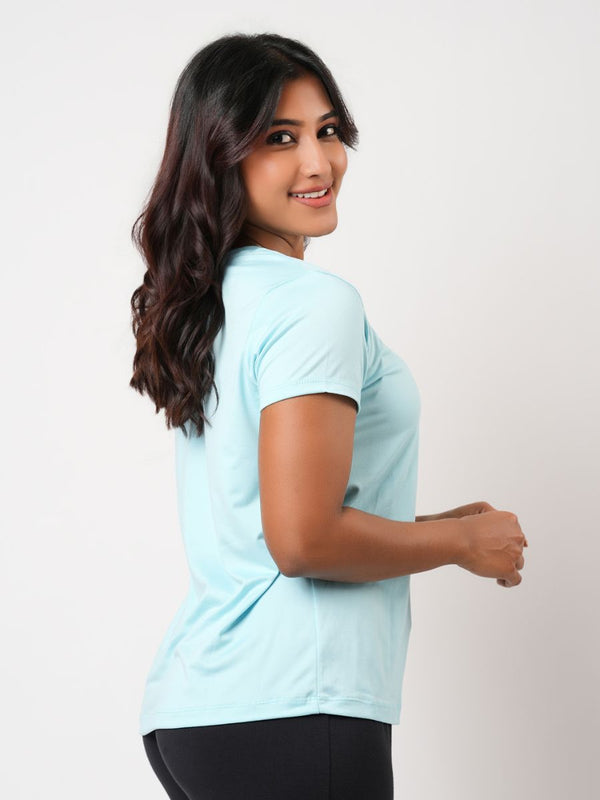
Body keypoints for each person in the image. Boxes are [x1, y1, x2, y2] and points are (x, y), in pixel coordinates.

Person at [129, 32, 528, 800]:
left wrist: (438, 522)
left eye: (328, 131)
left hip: (206, 708)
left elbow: (273, 517)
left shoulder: (224, 300)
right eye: (280, 139)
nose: (319, 163)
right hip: (293, 709)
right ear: (221, 157)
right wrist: (459, 543)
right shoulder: (312, 303)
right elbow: (303, 539)